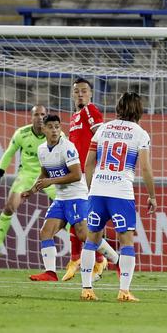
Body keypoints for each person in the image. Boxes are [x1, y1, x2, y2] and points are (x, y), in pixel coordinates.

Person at [21, 114, 118, 281]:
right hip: (61, 198)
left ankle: (117, 260)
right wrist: (32, 190)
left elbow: (75, 175)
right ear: (44, 129)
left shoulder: (67, 147)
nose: (54, 130)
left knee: (84, 236)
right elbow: (45, 173)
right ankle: (50, 273)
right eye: (50, 127)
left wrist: (50, 181)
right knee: (45, 232)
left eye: (57, 127)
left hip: (77, 196)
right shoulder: (42, 150)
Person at [79, 92, 157, 302]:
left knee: (92, 239)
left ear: (119, 108)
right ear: (138, 110)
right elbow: (146, 168)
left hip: (97, 190)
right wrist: (152, 196)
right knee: (127, 241)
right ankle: (123, 291)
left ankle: (86, 289)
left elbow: (88, 164)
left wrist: (89, 190)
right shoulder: (140, 133)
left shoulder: (103, 129)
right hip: (121, 193)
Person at [0, 105, 57, 264]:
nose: (40, 117)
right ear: (31, 117)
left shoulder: (55, 133)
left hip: (48, 175)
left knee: (67, 209)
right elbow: (9, 153)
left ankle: (80, 252)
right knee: (9, 207)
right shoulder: (22, 134)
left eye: (43, 114)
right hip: (26, 175)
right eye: (36, 114)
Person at [62, 77, 108, 282]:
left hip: (88, 174)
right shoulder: (75, 116)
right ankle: (77, 258)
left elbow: (101, 137)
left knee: (85, 218)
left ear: (90, 94)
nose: (80, 94)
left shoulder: (90, 111)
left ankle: (99, 259)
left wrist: (96, 169)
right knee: (76, 215)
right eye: (76, 91)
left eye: (84, 91)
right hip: (76, 174)